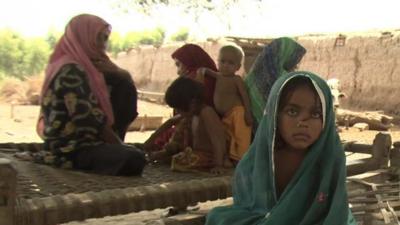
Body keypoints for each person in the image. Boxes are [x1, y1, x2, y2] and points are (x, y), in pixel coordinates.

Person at [205, 71, 357, 225]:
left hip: (315, 220)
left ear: (326, 119)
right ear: (274, 116)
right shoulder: (259, 159)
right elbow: (249, 204)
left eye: (316, 114)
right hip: (264, 217)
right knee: (217, 218)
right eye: (292, 111)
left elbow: (335, 210)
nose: (303, 122)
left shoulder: (330, 157)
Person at [36, 14, 146, 176]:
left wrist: (119, 73)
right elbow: (88, 120)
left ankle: (115, 149)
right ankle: (115, 149)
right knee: (135, 158)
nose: (102, 46)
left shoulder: (86, 68)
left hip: (87, 142)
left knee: (123, 82)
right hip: (70, 149)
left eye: (105, 39)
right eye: (98, 39)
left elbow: (124, 95)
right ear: (83, 38)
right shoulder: (71, 70)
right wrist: (119, 147)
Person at [142, 43, 218, 152]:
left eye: (179, 65)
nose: (178, 71)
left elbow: (183, 117)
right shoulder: (204, 78)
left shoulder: (195, 83)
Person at [150, 77, 230, 174]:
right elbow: (170, 122)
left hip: (210, 156)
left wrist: (219, 165)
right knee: (181, 129)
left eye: (179, 109)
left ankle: (222, 162)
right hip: (193, 152)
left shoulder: (206, 112)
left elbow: (217, 140)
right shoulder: (191, 114)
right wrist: (149, 141)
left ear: (192, 103)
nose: (178, 112)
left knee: (179, 160)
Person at [197, 44, 252, 161]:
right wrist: (202, 71)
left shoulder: (236, 79)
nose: (225, 65)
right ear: (218, 62)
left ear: (238, 67)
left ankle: (243, 160)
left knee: (242, 137)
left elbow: (244, 96)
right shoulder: (218, 76)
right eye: (222, 61)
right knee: (228, 137)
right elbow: (207, 71)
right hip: (226, 116)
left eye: (231, 63)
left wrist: (248, 113)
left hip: (238, 113)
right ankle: (232, 157)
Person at [245, 37, 306, 130]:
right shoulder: (283, 77)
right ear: (284, 55)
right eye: (293, 58)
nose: (296, 64)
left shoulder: (254, 73)